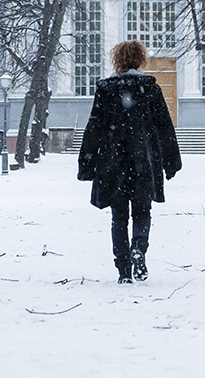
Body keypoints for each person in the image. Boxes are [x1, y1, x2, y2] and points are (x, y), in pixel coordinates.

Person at [77, 40, 182, 283]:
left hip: (113, 164)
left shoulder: (106, 89)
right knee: (142, 212)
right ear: (140, 60)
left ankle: (124, 269)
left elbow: (94, 128)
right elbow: (165, 127)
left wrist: (87, 163)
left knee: (119, 217)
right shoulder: (150, 89)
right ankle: (139, 248)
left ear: (117, 60)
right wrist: (171, 161)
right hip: (143, 162)